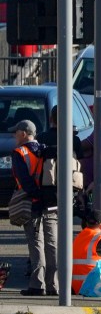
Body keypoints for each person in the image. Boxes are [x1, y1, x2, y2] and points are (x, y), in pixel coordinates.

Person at [11, 120, 58, 296]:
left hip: (33, 203)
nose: (14, 135)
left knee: (36, 243)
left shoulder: (20, 152)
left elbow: (24, 180)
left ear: (24, 133)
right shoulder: (46, 149)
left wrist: (36, 196)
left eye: (16, 132)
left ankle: (37, 285)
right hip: (52, 202)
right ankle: (54, 285)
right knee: (52, 243)